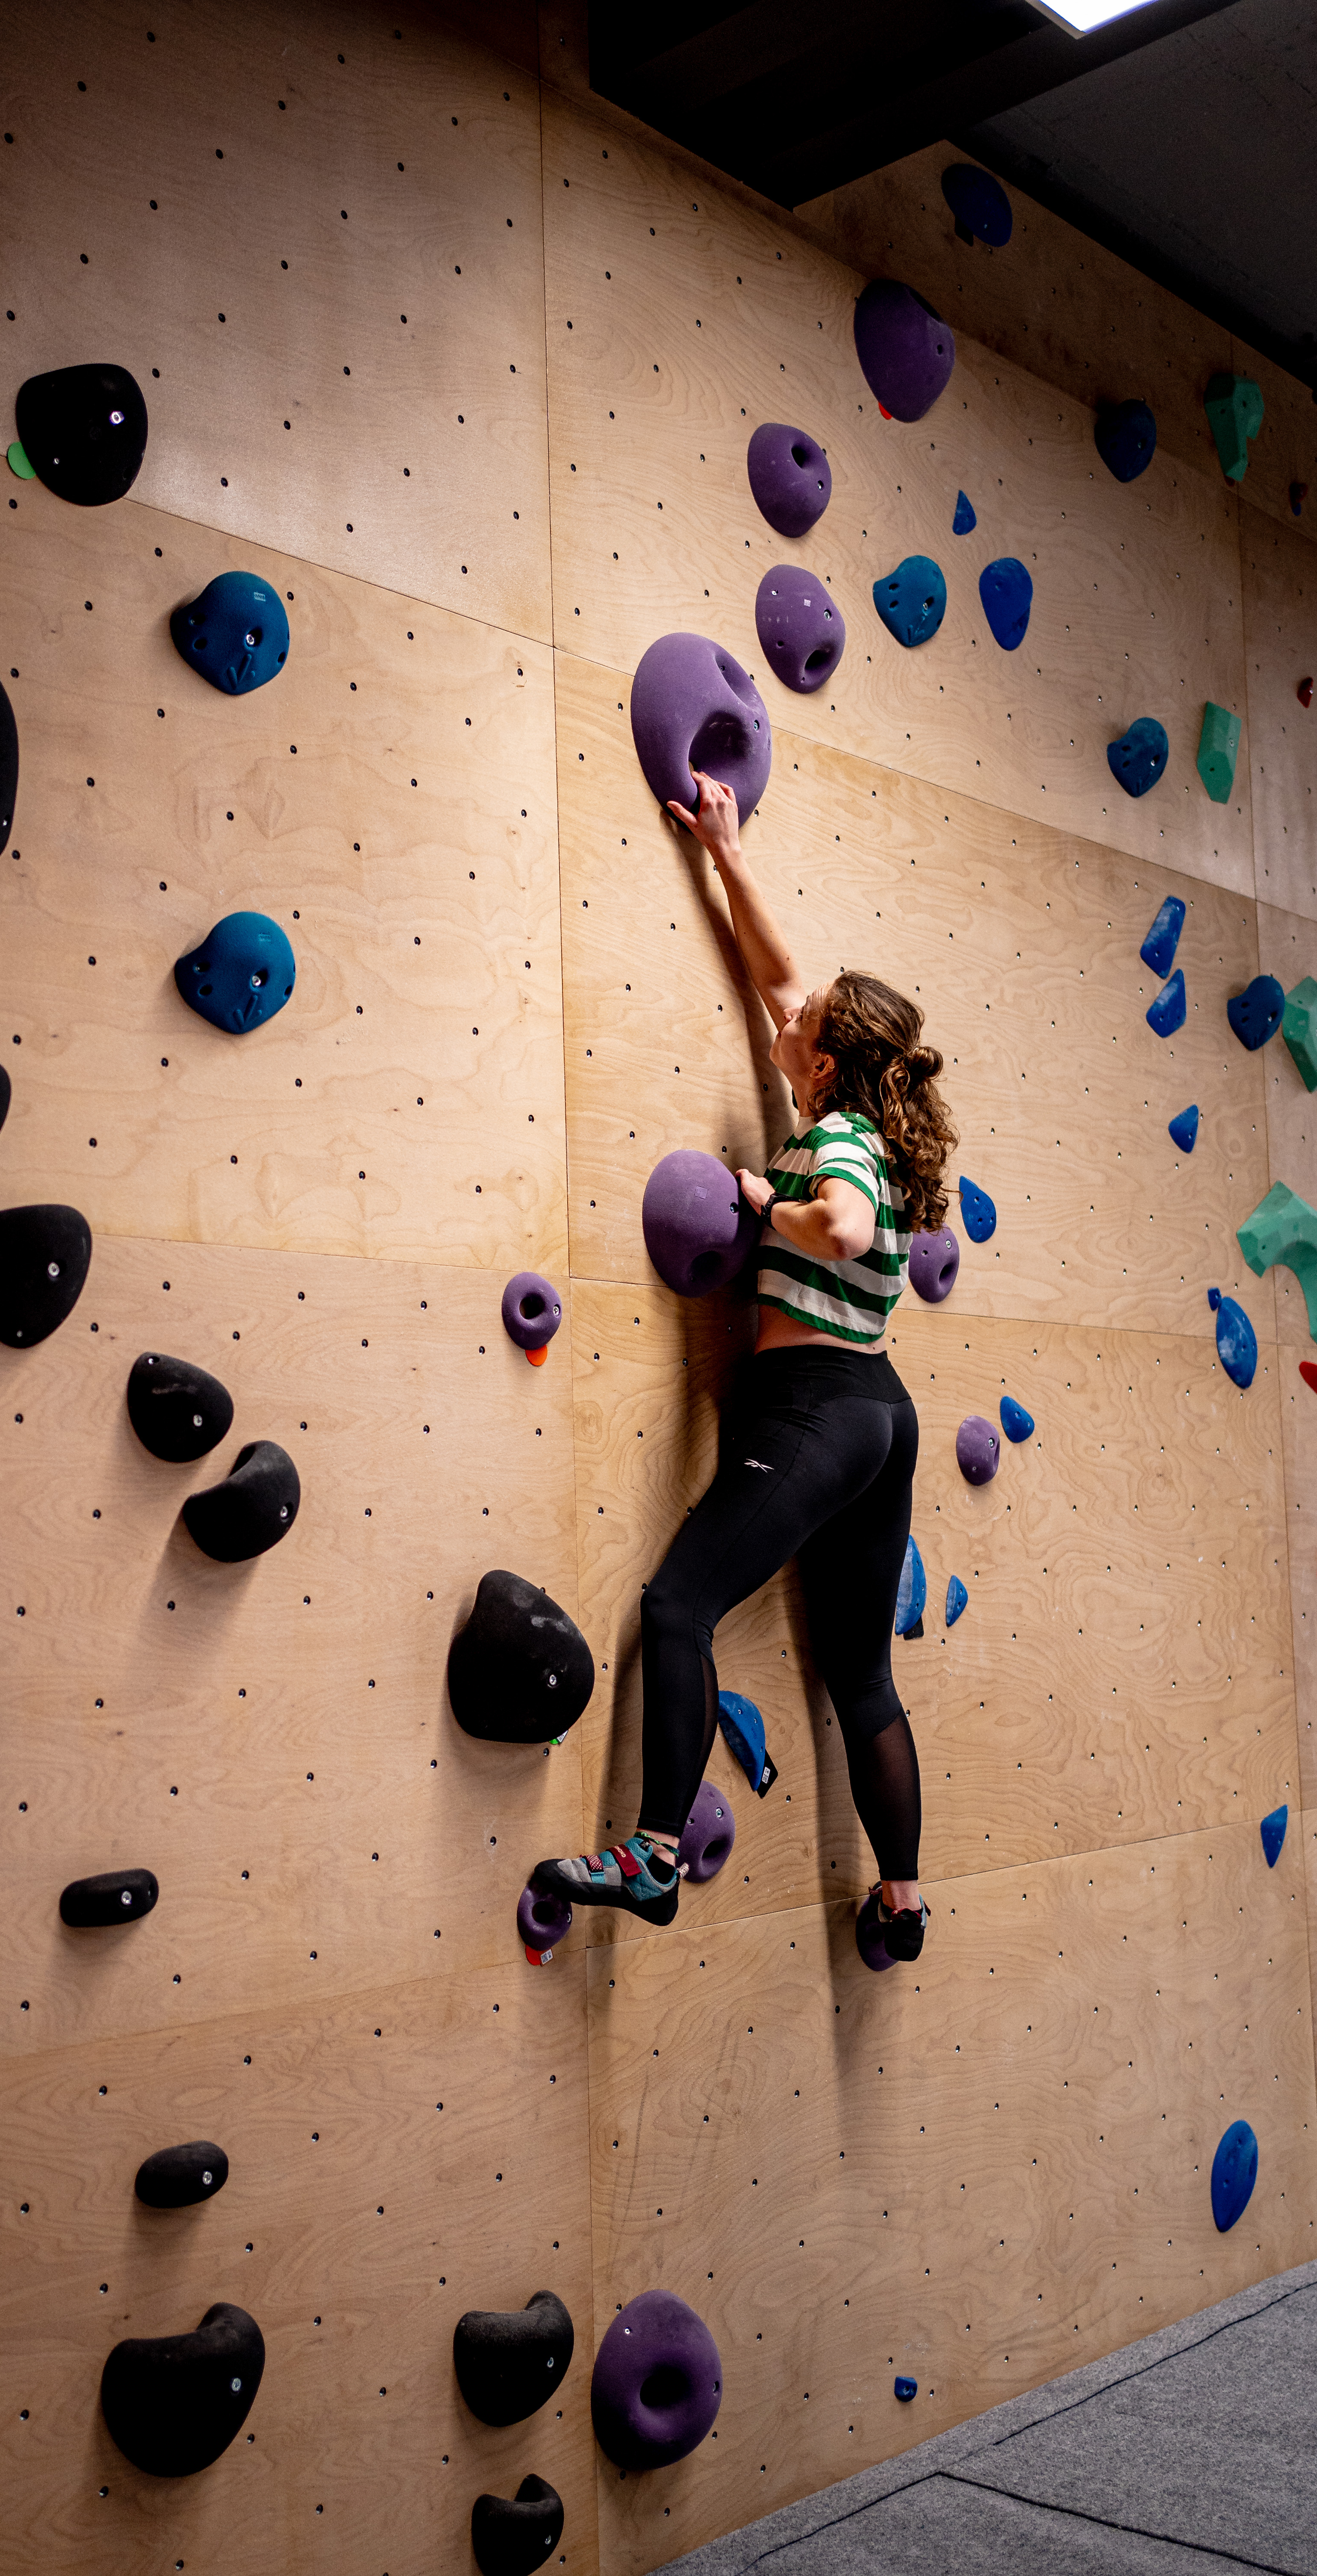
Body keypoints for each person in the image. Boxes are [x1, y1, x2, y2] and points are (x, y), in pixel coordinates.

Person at [529, 768, 957, 1966]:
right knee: (860, 1677)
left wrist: (773, 1205)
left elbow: (853, 1230)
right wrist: (725, 853)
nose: (789, 1016)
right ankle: (904, 1897)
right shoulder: (850, 1105)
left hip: (817, 1408)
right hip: (878, 1412)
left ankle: (653, 1859)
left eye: (806, 1027)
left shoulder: (836, 1146)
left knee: (676, 1607)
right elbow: (777, 974)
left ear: (820, 1068)